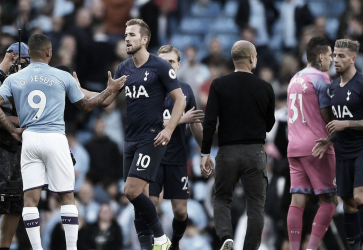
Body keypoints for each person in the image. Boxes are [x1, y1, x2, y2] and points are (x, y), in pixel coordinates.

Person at [0, 33, 126, 250]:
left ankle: (37, 248)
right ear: (49, 52)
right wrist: (110, 90)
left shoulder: (15, 78)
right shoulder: (61, 75)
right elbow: (88, 106)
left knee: (30, 200)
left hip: (29, 139)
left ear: (30, 54)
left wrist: (12, 128)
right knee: (67, 197)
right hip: (55, 137)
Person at [74, 19, 186, 249]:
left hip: (152, 137)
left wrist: (169, 128)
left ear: (144, 39)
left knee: (130, 190)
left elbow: (180, 99)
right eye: (125, 34)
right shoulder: (123, 68)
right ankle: (147, 246)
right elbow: (106, 101)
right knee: (138, 197)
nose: (126, 38)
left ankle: (161, 238)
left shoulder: (160, 67)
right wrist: (80, 90)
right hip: (130, 139)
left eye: (132, 34)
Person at [200, 40, 275, 250]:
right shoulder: (265, 87)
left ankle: (226, 237)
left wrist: (205, 152)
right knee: (256, 207)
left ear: (233, 59)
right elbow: (269, 125)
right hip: (255, 153)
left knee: (222, 198)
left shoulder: (218, 85)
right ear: (252, 58)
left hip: (227, 152)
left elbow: (209, 122)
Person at [147, 45, 207, 250]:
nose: (166, 65)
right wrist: (182, 119)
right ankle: (157, 242)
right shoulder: (148, 89)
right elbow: (148, 124)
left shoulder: (186, 90)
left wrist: (205, 152)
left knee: (181, 211)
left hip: (177, 158)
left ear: (178, 65)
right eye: (162, 61)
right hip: (152, 157)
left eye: (171, 61)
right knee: (151, 205)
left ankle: (175, 244)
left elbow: (195, 124)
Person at [286, 36, 337, 250]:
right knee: (329, 200)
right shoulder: (321, 78)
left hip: (294, 147)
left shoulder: (294, 79)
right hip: (317, 146)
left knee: (297, 202)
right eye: (331, 56)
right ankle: (311, 248)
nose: (332, 61)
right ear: (321, 56)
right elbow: (327, 115)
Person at [313, 39, 363, 250]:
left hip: (361, 149)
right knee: (346, 201)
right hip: (342, 151)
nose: (336, 60)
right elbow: (336, 125)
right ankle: (354, 245)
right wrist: (329, 140)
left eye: (342, 56)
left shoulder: (362, 84)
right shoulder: (332, 88)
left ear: (353, 58)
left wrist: (346, 123)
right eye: (334, 55)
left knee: (359, 197)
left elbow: (344, 122)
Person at [0, 42, 29, 250]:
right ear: (11, 56)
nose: (23, 69)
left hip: (12, 146)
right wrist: (16, 123)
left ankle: (4, 247)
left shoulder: (16, 83)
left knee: (15, 199)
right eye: (22, 63)